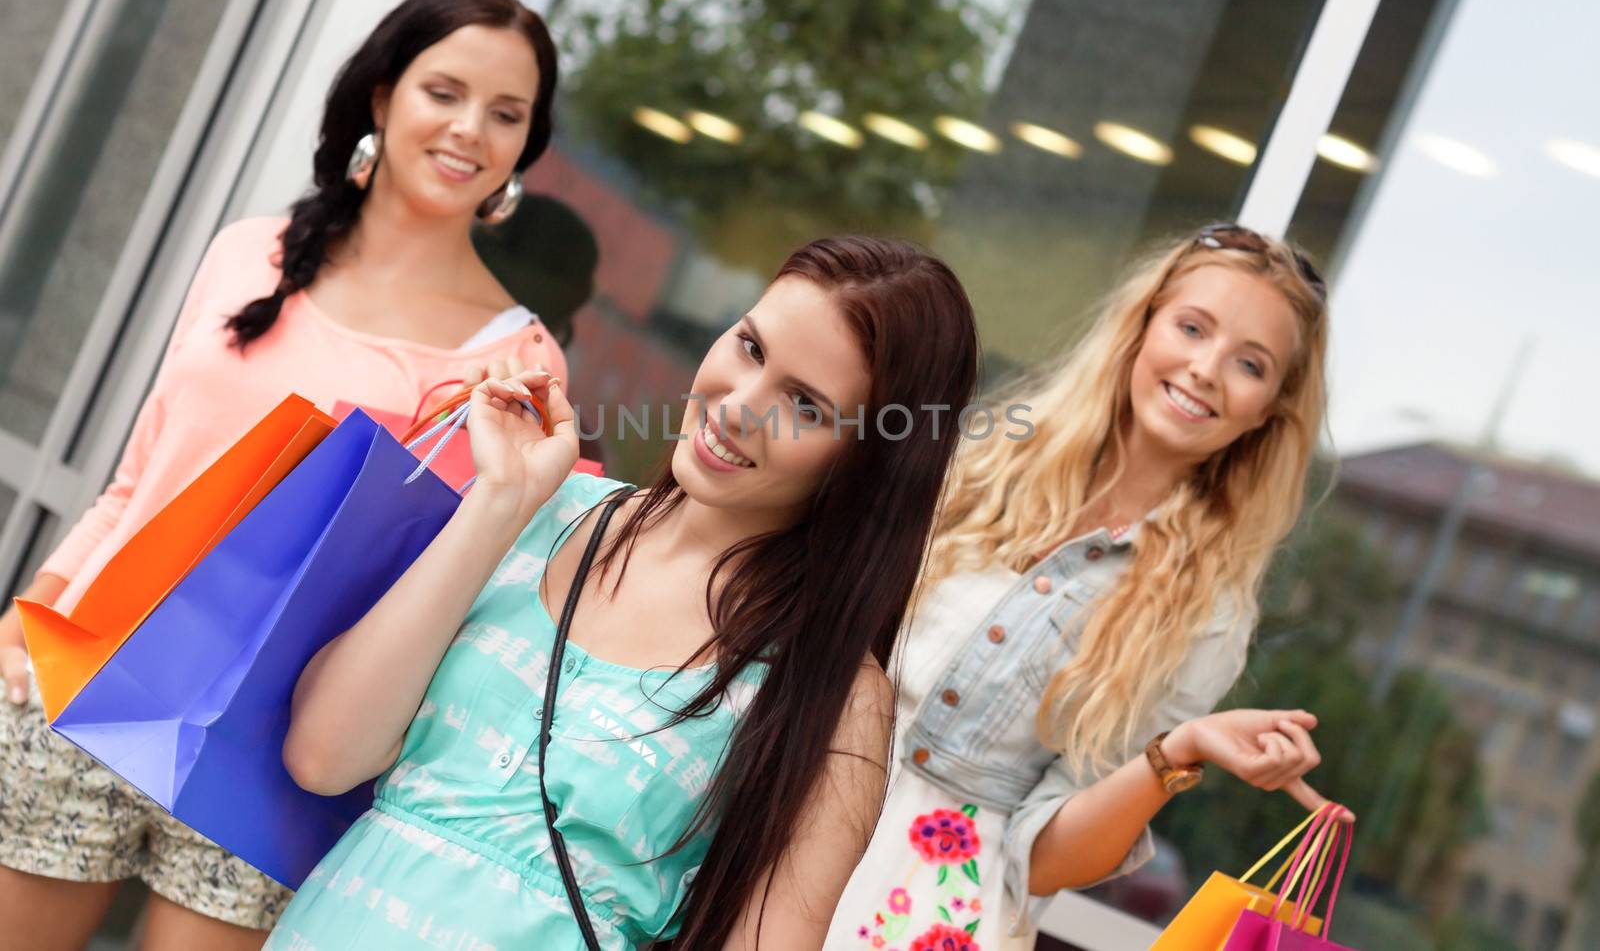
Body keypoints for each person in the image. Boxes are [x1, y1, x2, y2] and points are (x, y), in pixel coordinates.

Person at [0, 0, 568, 950]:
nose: (470, 129)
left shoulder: (517, 363)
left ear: (523, 147)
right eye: (445, 91)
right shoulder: (245, 255)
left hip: (264, 762)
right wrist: (25, 617)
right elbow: (142, 478)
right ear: (382, 95)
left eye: (506, 113)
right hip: (84, 679)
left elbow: (446, 602)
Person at [265, 235, 982, 950]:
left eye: (804, 404)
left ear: (868, 462)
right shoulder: (545, 508)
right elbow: (323, 754)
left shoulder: (832, 693)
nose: (739, 407)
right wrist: (500, 503)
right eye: (752, 349)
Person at [826, 224, 1347, 950]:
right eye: (1192, 327)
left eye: (1249, 364)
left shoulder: (1205, 613)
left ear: (1269, 411)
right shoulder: (986, 457)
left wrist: (1182, 748)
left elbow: (1048, 859)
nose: (1204, 368)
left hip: (929, 911)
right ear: (1142, 327)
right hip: (797, 809)